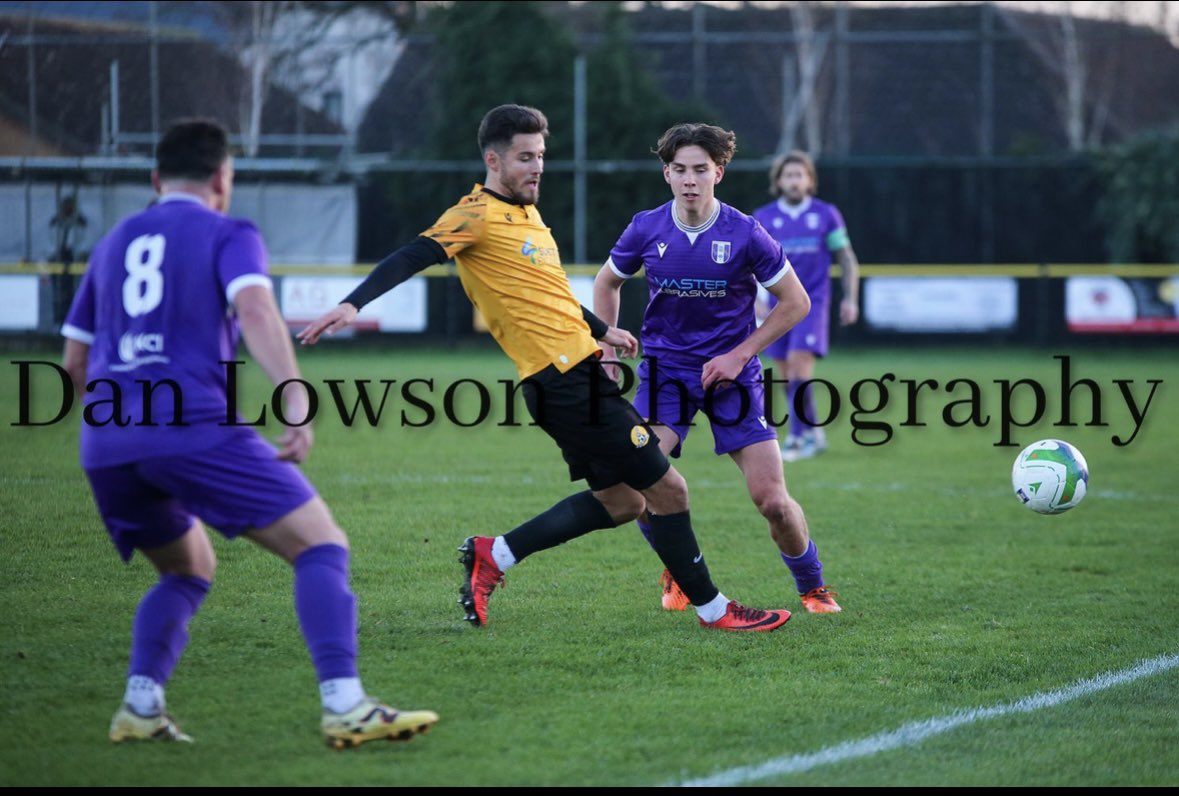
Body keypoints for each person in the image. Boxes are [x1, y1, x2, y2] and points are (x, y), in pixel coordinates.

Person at [298, 104, 790, 633]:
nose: (537, 167)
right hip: (565, 383)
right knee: (669, 490)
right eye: (524, 158)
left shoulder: (528, 216)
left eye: (540, 156)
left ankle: (495, 554)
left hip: (574, 376)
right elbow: (412, 255)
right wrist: (352, 303)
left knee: (622, 502)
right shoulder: (475, 215)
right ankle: (715, 610)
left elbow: (549, 295)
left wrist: (602, 332)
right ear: (493, 160)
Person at [61, 118, 438, 747]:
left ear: (156, 179)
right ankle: (345, 703)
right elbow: (256, 308)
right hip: (191, 426)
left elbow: (75, 363)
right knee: (320, 545)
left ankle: (140, 705)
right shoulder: (228, 231)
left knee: (187, 568)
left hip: (107, 441)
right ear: (222, 178)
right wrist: (293, 395)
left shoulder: (112, 242)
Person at [593, 124, 842, 615]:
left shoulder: (745, 232)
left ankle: (812, 586)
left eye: (700, 170)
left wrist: (739, 355)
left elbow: (796, 302)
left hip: (733, 379)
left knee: (773, 501)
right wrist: (606, 349)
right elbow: (606, 283)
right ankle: (679, 570)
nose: (690, 179)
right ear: (667, 174)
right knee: (640, 482)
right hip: (666, 375)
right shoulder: (646, 227)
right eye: (680, 169)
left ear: (718, 173)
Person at [753, 150, 860, 461]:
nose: (794, 181)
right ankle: (813, 430)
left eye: (799, 175)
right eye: (788, 175)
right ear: (778, 181)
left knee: (799, 367)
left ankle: (796, 439)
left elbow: (846, 258)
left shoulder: (826, 214)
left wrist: (851, 298)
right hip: (776, 307)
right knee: (786, 375)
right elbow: (750, 264)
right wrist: (757, 299)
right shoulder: (763, 217)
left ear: (810, 180)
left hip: (812, 303)